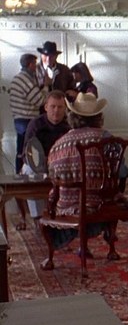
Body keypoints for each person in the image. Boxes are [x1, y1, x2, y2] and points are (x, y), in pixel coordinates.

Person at [40, 92, 113, 270]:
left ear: (72, 116)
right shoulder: (105, 137)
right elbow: (120, 169)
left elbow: (52, 175)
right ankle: (110, 245)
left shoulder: (59, 144)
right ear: (98, 116)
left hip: (64, 204)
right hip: (98, 203)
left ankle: (58, 250)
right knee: (115, 195)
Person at [18, 90, 71, 229]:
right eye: (53, 106)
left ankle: (65, 214)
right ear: (46, 107)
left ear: (65, 108)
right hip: (36, 164)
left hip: (59, 165)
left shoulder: (68, 126)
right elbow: (27, 153)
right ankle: (38, 218)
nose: (56, 111)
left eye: (60, 107)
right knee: (29, 171)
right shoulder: (35, 124)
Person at [8, 53, 47, 173]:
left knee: (21, 150)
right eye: (35, 64)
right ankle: (30, 176)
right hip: (27, 119)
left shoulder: (17, 78)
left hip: (19, 119)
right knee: (31, 150)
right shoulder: (26, 80)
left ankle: (18, 175)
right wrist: (46, 86)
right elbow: (40, 100)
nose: (36, 67)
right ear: (30, 65)